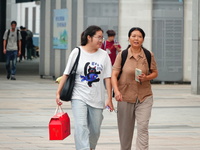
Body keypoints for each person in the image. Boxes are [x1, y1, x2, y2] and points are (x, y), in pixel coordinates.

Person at [56, 25, 114, 150]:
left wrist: (109, 98)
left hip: (97, 98)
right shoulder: (77, 52)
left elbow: (108, 78)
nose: (101, 40)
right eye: (98, 37)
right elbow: (66, 73)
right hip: (79, 96)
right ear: (89, 37)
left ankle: (90, 147)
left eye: (102, 38)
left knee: (95, 130)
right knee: (81, 126)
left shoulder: (104, 55)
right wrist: (58, 93)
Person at [111, 27, 158, 150]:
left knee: (143, 127)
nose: (136, 38)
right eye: (133, 36)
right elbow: (114, 74)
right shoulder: (123, 55)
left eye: (139, 36)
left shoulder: (148, 55)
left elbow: (155, 73)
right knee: (125, 131)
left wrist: (146, 77)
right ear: (129, 38)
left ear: (143, 39)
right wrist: (116, 91)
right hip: (125, 96)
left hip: (144, 96)